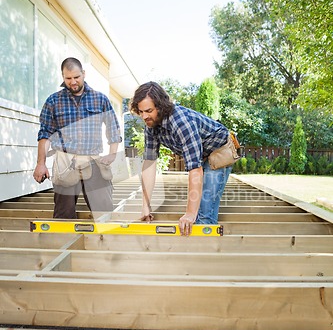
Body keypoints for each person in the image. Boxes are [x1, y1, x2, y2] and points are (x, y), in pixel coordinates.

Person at [130, 81, 232, 235]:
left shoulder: (180, 122)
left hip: (218, 152)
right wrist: (146, 205)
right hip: (201, 154)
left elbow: (195, 170)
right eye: (141, 111)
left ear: (160, 106)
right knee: (195, 209)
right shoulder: (150, 126)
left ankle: (205, 253)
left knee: (204, 214)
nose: (144, 116)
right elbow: (149, 164)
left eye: (148, 110)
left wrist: (190, 214)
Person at [33, 57, 122, 219]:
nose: (73, 82)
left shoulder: (100, 99)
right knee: (63, 215)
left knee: (104, 212)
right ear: (63, 77)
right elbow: (45, 134)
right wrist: (41, 163)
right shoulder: (53, 101)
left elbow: (113, 129)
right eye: (68, 78)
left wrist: (112, 154)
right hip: (65, 164)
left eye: (76, 77)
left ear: (83, 74)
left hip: (94, 162)